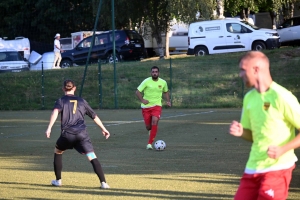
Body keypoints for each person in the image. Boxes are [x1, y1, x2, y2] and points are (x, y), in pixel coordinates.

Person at [229, 51, 300, 200]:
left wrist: (283, 149)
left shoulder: (282, 96)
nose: (240, 74)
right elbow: (254, 136)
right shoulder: (249, 98)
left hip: (278, 168)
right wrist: (242, 132)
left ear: (255, 69)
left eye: (243, 69)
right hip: (253, 167)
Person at [45, 79, 111, 189]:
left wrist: (49, 128)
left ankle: (58, 180)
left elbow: (55, 112)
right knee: (91, 156)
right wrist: (104, 129)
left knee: (58, 151)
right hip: (82, 134)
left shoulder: (61, 100)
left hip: (67, 134)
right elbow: (94, 116)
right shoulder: (82, 101)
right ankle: (104, 183)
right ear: (74, 88)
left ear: (63, 89)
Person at [136, 66, 171, 150]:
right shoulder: (146, 81)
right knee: (148, 127)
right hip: (146, 107)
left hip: (157, 106)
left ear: (158, 73)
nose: (154, 73)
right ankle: (150, 131)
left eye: (156, 72)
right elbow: (137, 92)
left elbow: (166, 92)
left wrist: (168, 101)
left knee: (155, 121)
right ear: (151, 73)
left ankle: (149, 144)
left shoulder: (163, 82)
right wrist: (142, 100)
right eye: (153, 72)